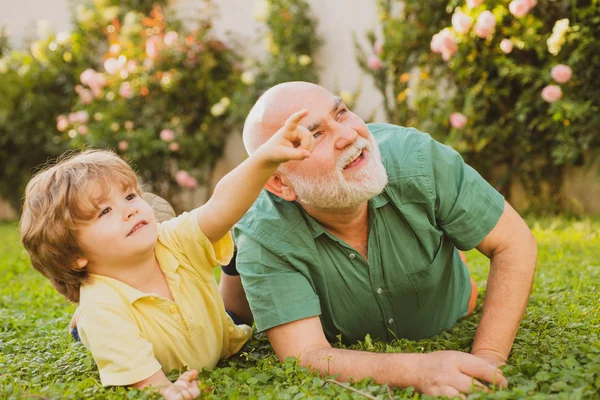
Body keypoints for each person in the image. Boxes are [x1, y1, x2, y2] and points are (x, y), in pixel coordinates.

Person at [234, 81, 538, 398]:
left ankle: (451, 263)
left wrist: (489, 357)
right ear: (280, 183)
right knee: (237, 296)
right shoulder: (263, 233)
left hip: (456, 304)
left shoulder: (417, 158)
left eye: (341, 112)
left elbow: (513, 243)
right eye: (316, 135)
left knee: (455, 272)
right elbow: (306, 355)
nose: (349, 135)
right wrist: (419, 371)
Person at [19, 109, 315, 400]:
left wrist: (265, 158)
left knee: (231, 243)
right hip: (131, 324)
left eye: (130, 196)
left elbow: (220, 206)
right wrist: (168, 390)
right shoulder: (103, 310)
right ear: (74, 255)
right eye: (105, 211)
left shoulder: (170, 240)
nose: (130, 208)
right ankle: (78, 326)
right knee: (92, 327)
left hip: (209, 321)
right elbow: (147, 381)